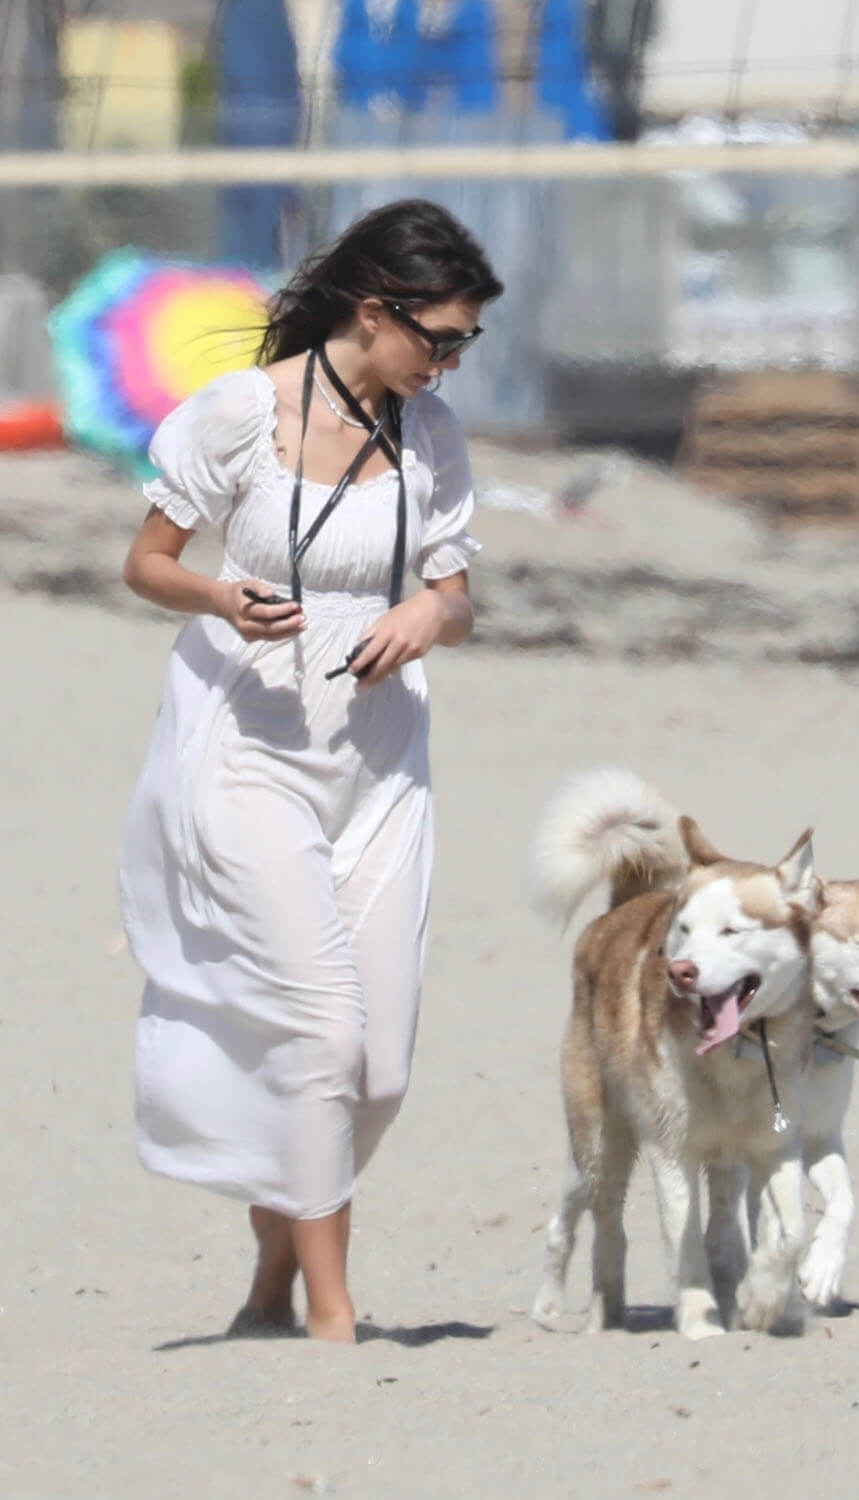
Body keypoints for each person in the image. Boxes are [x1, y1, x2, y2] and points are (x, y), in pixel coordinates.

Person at [119, 198, 504, 1343]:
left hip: (380, 757)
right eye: (439, 338)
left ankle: (271, 1278)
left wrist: (431, 618)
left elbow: (458, 594)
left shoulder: (429, 436)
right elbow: (146, 563)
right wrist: (220, 595)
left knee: (378, 1067)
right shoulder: (241, 414)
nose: (448, 365)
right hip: (247, 739)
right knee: (323, 1034)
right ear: (372, 310)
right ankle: (334, 1318)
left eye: (465, 345)